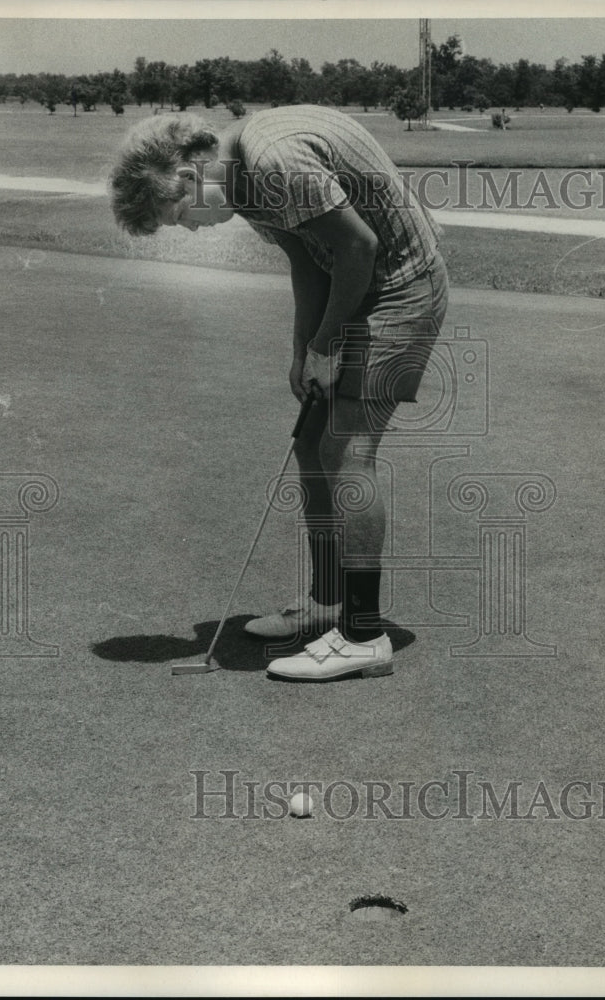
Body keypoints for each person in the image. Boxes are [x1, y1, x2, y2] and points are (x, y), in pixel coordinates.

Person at [110, 104, 448, 681]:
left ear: (191, 177)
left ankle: (365, 637)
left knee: (346, 451)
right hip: (357, 281)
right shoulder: (239, 183)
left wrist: (327, 344)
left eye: (180, 216)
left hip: (400, 286)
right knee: (310, 442)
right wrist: (304, 351)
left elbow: (358, 247)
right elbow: (306, 259)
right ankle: (326, 603)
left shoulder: (273, 159)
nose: (189, 229)